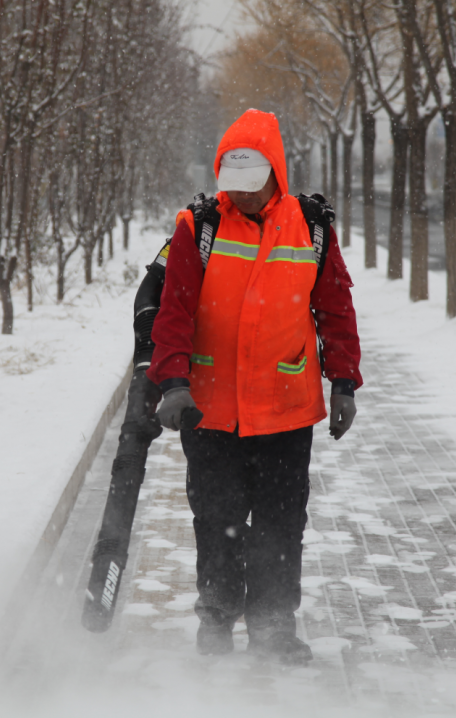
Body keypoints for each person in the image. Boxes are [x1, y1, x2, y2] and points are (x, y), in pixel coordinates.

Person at [146, 109, 362, 665]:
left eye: (251, 185)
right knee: (216, 519)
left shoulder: (312, 228)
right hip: (210, 410)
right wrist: (171, 381)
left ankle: (271, 626)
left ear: (276, 176)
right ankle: (216, 620)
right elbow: (173, 313)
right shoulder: (199, 228)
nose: (239, 197)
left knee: (280, 522)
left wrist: (344, 381)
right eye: (230, 185)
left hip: (285, 413)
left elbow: (335, 309)